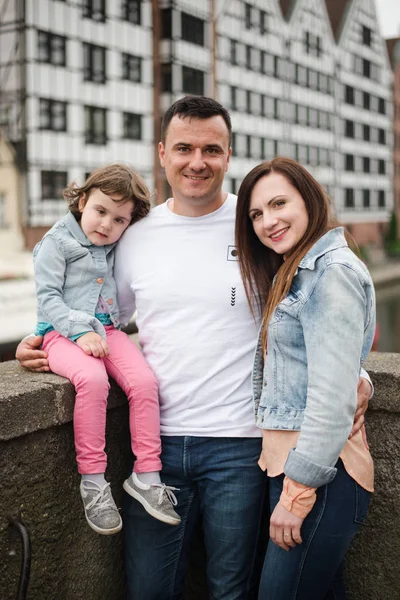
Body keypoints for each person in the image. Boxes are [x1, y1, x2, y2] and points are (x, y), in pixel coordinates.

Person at [17, 97, 372, 599]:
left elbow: (316, 317)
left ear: (229, 155)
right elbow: (103, 318)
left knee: (230, 589)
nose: (196, 161)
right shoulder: (132, 233)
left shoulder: (258, 230)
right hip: (154, 448)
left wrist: (361, 376)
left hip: (242, 445)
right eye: (183, 148)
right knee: (148, 589)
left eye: (211, 149)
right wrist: (49, 342)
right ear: (162, 153)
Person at [235, 157, 375, 600]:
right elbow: (331, 358)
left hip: (322, 478)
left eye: (279, 204)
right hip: (301, 470)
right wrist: (362, 379)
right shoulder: (297, 271)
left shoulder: (331, 274)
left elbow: (332, 401)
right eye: (256, 214)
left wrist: (295, 497)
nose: (267, 221)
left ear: (309, 200)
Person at [32, 164, 180, 536]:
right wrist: (79, 333)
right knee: (93, 381)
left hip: (109, 331)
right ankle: (94, 482)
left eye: (119, 220)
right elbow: (48, 297)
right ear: (82, 201)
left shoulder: (117, 243)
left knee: (145, 382)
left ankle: (147, 474)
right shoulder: (56, 242)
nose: (106, 225)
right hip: (61, 334)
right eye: (100, 211)